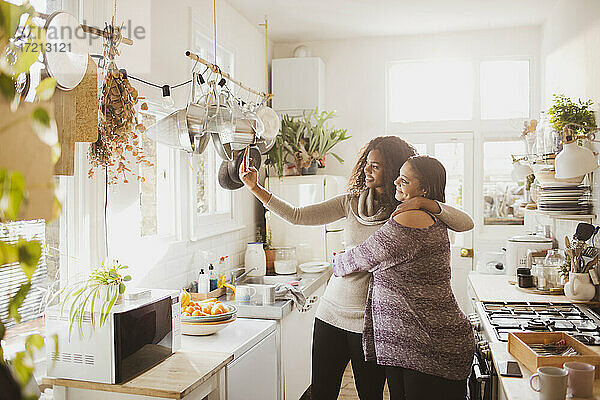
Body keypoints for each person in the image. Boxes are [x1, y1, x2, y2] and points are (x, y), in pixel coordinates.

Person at [240, 136, 474, 400]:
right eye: (367, 163)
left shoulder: (406, 211)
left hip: (371, 323)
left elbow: (465, 222)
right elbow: (297, 215)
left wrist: (424, 203)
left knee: (370, 395)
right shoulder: (350, 203)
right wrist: (255, 188)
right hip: (331, 312)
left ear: (395, 170)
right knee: (322, 392)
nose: (366, 170)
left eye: (376, 166)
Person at [333, 155, 476, 400]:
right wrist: (424, 202)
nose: (396, 181)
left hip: (427, 341)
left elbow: (363, 257)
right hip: (422, 339)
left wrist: (337, 260)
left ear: (424, 189)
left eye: (405, 179)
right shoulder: (429, 214)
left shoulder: (409, 219)